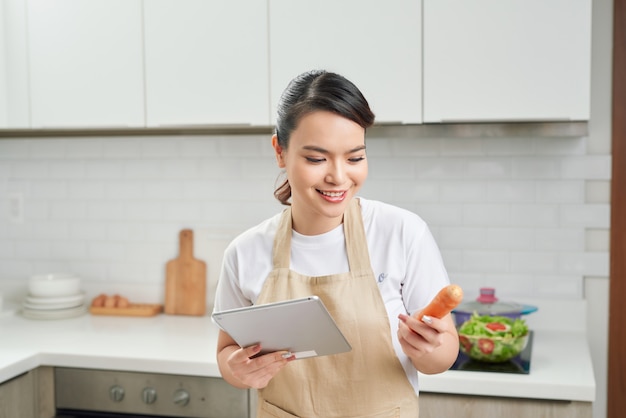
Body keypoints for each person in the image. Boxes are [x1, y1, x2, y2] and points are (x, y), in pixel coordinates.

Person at [213, 69, 459, 417]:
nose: (339, 176)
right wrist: (237, 370)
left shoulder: (402, 232)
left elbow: (445, 353)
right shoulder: (245, 252)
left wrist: (430, 349)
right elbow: (227, 353)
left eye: (355, 157)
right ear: (280, 152)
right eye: (316, 158)